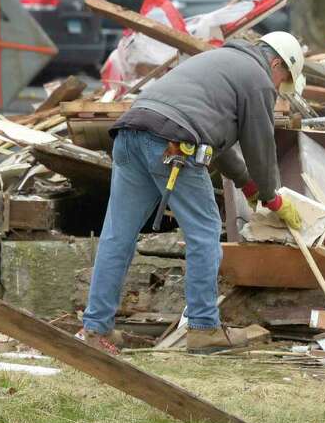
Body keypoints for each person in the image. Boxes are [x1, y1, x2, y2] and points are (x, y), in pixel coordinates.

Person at [79, 31, 306, 355]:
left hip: (132, 132)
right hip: (173, 143)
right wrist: (272, 196)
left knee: (118, 236)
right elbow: (260, 145)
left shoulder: (219, 62)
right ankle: (203, 328)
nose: (278, 89)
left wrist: (247, 184)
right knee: (205, 231)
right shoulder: (257, 78)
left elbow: (217, 142)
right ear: (275, 63)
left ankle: (95, 329)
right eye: (283, 80)